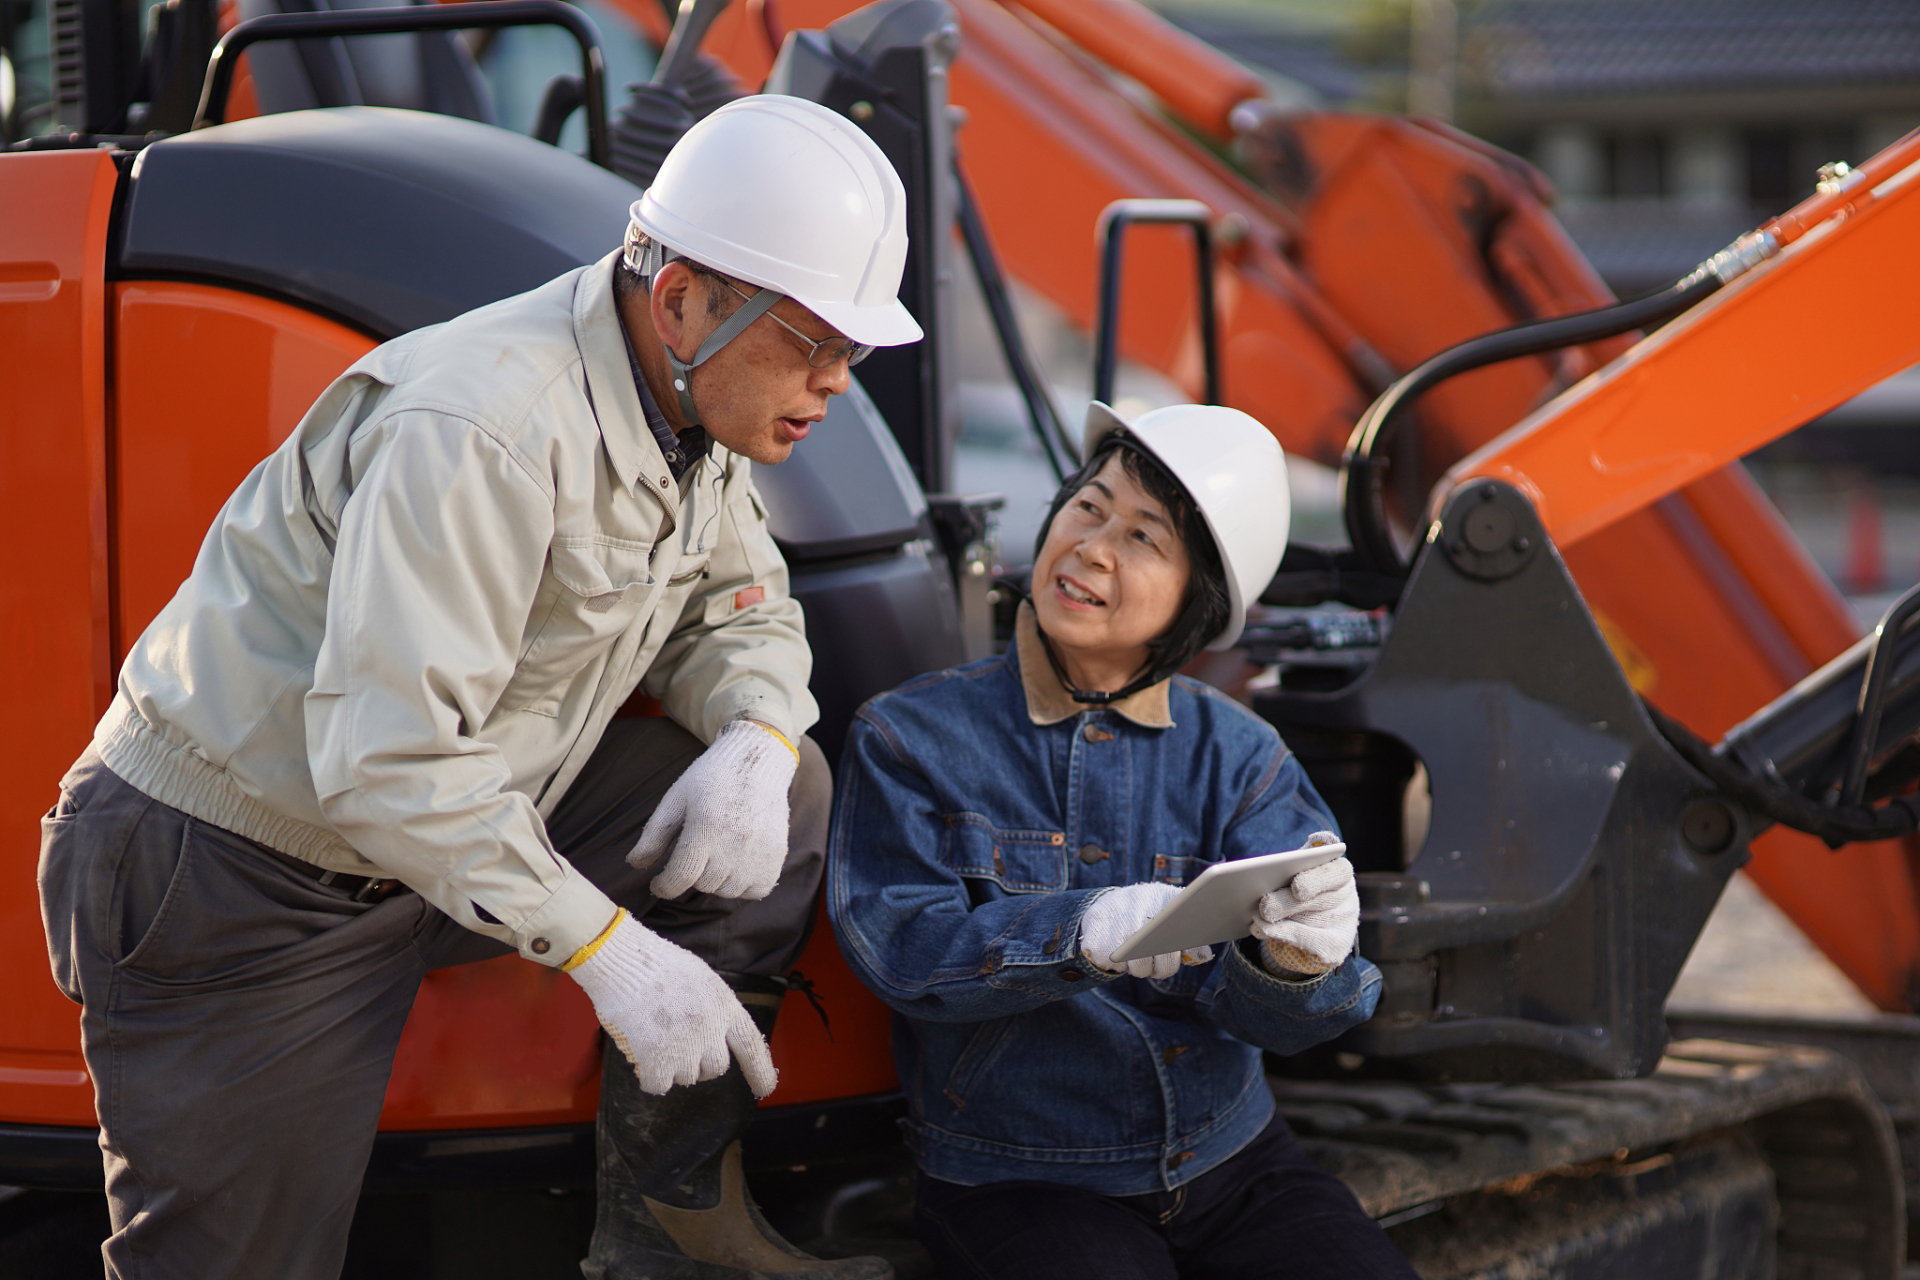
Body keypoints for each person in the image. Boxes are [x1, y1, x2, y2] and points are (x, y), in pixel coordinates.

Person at [36, 95, 913, 1280]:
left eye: (850, 351)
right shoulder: (483, 428)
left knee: (792, 781)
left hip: (427, 824)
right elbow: (389, 763)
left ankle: (662, 1228)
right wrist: (611, 951)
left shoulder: (685, 404)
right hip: (239, 877)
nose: (835, 382)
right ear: (682, 298)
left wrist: (757, 732)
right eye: (810, 342)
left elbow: (737, 599)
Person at [826, 403, 1420, 1279]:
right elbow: (902, 953)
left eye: (1144, 537)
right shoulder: (910, 736)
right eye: (1089, 508)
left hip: (1236, 1164)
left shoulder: (1240, 755)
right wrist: (1084, 929)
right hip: (1019, 1181)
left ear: (1195, 601)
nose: (1094, 547)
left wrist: (1298, 968)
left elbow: (1290, 1025)